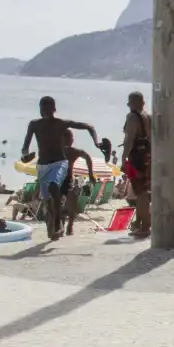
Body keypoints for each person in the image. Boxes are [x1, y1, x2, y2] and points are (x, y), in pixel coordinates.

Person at [19, 95, 101, 240]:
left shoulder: (61, 124)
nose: (44, 111)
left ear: (54, 109)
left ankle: (57, 223)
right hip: (42, 165)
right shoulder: (34, 124)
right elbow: (25, 146)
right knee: (47, 202)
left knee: (54, 186)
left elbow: (89, 127)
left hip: (59, 162)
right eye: (42, 108)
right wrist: (25, 155)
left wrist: (97, 142)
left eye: (47, 108)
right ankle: (54, 222)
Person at [121, 90, 152, 238]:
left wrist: (123, 158)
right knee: (143, 191)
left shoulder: (132, 117)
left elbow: (129, 139)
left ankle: (144, 226)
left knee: (140, 192)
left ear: (131, 103)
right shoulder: (148, 117)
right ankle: (140, 223)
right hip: (146, 157)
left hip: (135, 159)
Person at [59, 129, 97, 236]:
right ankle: (66, 227)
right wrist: (90, 174)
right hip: (62, 181)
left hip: (64, 181)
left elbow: (87, 157)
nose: (71, 141)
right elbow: (87, 157)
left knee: (69, 202)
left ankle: (68, 227)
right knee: (65, 204)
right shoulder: (69, 151)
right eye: (70, 138)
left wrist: (91, 174)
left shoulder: (69, 151)